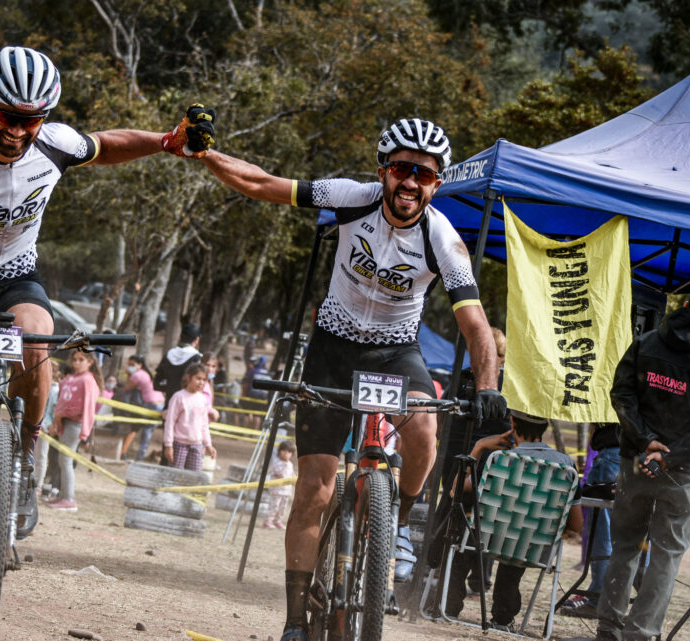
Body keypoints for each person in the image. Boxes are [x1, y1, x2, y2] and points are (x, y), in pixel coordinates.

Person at [0, 44, 215, 632]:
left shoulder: (53, 143)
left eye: (31, 119)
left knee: (38, 333)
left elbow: (106, 145)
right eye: (7, 116)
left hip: (16, 282)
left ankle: (21, 459)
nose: (18, 131)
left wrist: (166, 140)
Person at [199, 117, 506, 640]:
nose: (411, 182)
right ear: (383, 170)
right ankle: (296, 622)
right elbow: (261, 183)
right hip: (333, 348)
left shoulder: (442, 239)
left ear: (437, 184)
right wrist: (205, 154)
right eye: (403, 169)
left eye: (425, 175)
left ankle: (396, 522)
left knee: (424, 429)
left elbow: (476, 326)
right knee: (313, 491)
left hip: (395, 352)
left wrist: (488, 388)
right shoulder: (351, 198)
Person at [595, 276, 690, 641]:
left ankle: (608, 629)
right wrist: (669, 456)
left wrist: (648, 444)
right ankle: (641, 634)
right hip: (684, 473)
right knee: (666, 555)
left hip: (636, 462)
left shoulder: (645, 343)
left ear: (687, 306)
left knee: (625, 545)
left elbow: (621, 395)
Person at [443, 410, 582, 631]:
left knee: (476, 532)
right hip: (533, 547)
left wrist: (479, 447)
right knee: (517, 540)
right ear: (545, 428)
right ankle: (503, 618)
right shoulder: (566, 465)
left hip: (486, 540)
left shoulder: (498, 459)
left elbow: (455, 491)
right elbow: (577, 525)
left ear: (512, 422)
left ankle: (448, 607)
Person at [558, 422, 621, 619]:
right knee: (635, 532)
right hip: (642, 458)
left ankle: (597, 599)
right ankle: (637, 603)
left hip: (614, 453)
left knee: (602, 531)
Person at [46, 350, 104, 512]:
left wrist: (85, 430)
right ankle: (62, 495)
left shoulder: (88, 380)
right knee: (61, 460)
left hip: (74, 424)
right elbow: (61, 401)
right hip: (63, 422)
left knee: (66, 460)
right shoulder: (70, 378)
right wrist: (56, 421)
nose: (77, 363)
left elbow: (88, 407)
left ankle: (69, 499)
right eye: (75, 360)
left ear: (89, 362)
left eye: (81, 360)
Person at [163, 363, 217, 472]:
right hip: (179, 445)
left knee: (194, 477)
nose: (201, 382)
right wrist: (168, 445)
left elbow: (204, 425)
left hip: (196, 444)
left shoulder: (202, 399)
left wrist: (208, 445)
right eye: (198, 378)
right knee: (175, 476)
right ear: (188, 378)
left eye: (204, 380)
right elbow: (170, 422)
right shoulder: (178, 397)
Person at [119, 354, 165, 461]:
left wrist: (128, 375)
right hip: (160, 403)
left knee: (137, 428)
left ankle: (134, 455)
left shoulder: (136, 375)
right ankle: (139, 456)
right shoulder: (146, 374)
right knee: (148, 431)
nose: (130, 367)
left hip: (150, 404)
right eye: (129, 365)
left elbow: (126, 388)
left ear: (140, 365)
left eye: (132, 365)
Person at [155, 322, 203, 405]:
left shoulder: (169, 354)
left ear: (180, 337)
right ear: (197, 340)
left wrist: (170, 388)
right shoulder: (197, 358)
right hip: (188, 404)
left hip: (169, 403)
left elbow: (157, 383)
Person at [34, 364, 62, 499]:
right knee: (34, 456)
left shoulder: (55, 389)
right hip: (36, 424)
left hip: (44, 427)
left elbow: (52, 410)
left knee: (41, 456)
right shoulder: (42, 385)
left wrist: (47, 425)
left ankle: (38, 485)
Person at [264, 440, 297, 529]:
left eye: (289, 452)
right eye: (284, 450)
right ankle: (268, 521)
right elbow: (277, 473)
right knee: (274, 506)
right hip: (277, 490)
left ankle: (278, 521)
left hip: (286, 491)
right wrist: (283, 469)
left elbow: (292, 475)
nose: (286, 453)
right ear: (279, 451)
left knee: (283, 508)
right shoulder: (277, 462)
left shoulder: (290, 464)